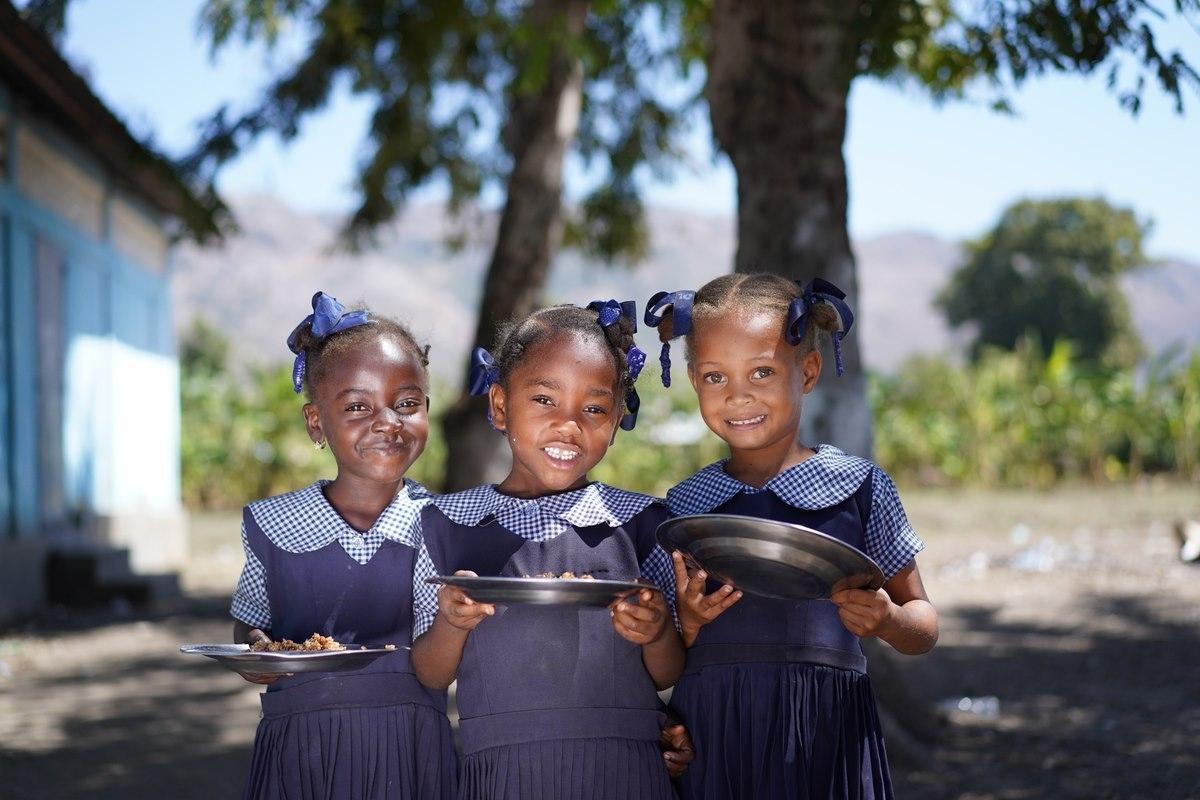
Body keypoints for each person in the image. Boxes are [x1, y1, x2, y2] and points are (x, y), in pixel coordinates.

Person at [645, 275, 939, 800]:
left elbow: (924, 624)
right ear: (692, 380)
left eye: (762, 371)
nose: (737, 395)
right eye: (715, 377)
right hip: (716, 732)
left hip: (827, 735)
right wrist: (686, 624)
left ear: (807, 371)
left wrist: (888, 620)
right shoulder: (686, 507)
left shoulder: (858, 488)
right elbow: (663, 653)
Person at [410, 301, 685, 800]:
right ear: (499, 406)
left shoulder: (643, 524)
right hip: (504, 773)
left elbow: (669, 671)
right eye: (543, 400)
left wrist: (658, 629)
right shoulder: (447, 524)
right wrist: (452, 622)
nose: (569, 424)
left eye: (595, 408)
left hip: (624, 771)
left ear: (617, 418)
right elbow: (429, 672)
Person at [230, 291, 456, 799]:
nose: (387, 421)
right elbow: (250, 623)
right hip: (303, 753)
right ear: (316, 422)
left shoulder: (446, 525)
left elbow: (443, 657)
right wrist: (257, 650)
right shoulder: (273, 524)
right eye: (358, 406)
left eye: (407, 403)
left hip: (410, 749)